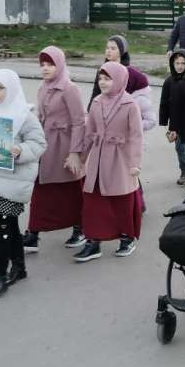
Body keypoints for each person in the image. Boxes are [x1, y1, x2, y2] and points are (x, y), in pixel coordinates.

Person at [0, 69, 47, 296]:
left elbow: (39, 144)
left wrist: (19, 150)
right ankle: (19, 267)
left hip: (14, 181)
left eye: (0, 88)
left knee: (3, 226)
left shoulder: (24, 114)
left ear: (12, 88)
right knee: (8, 225)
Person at [75, 62, 144, 262]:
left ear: (120, 80)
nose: (103, 82)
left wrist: (134, 163)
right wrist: (82, 157)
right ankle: (93, 241)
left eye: (108, 78)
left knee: (121, 201)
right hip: (97, 159)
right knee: (93, 201)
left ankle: (127, 238)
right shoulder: (97, 102)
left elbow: (136, 136)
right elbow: (89, 133)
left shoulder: (130, 104)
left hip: (120, 160)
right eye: (101, 78)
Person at [22, 47, 86, 254]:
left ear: (59, 65)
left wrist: (75, 153)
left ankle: (80, 227)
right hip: (46, 145)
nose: (45, 68)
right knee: (41, 188)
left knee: (72, 190)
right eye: (42, 64)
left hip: (65, 147)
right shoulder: (43, 88)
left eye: (50, 64)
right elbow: (40, 117)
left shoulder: (69, 88)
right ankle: (33, 234)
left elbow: (79, 122)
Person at [159, 49, 185, 185]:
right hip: (176, 122)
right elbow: (164, 103)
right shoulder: (169, 82)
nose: (179, 66)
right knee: (180, 148)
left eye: (183, 63)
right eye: (177, 63)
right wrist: (164, 122)